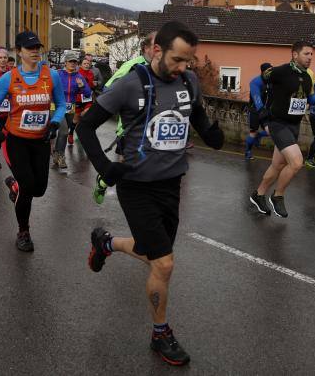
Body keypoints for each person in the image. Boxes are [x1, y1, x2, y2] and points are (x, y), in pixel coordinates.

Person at [76, 21, 223, 366]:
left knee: (150, 252)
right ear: (157, 50)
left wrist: (211, 134)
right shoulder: (131, 84)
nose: (183, 68)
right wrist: (103, 167)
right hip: (136, 185)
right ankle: (161, 334)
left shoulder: (187, 80)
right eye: (177, 60)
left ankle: (106, 243)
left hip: (172, 183)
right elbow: (85, 125)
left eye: (188, 61)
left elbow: (196, 114)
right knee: (165, 263)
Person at [0, 31, 66, 252]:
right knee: (28, 190)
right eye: (30, 48)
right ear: (19, 52)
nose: (35, 51)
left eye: (37, 47)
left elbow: (61, 105)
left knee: (39, 189)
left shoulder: (52, 76)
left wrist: (55, 123)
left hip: (40, 141)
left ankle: (14, 184)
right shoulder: (8, 78)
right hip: (16, 141)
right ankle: (23, 231)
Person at [248, 41, 315, 218]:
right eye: (306, 54)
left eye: (311, 55)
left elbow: (308, 99)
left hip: (294, 125)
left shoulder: (308, 77)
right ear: (295, 54)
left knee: (277, 165)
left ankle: (258, 195)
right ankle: (277, 196)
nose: (310, 57)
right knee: (296, 162)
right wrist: (261, 110)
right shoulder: (280, 71)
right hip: (278, 124)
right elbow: (254, 84)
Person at [90, 31, 157, 203]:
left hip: (155, 130)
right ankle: (104, 181)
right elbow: (108, 90)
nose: (159, 51)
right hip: (130, 128)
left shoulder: (165, 68)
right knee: (126, 166)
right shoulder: (132, 66)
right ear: (145, 49)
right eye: (155, 47)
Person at [53, 51, 91, 172]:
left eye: (75, 62)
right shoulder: (58, 74)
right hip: (57, 107)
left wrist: (82, 87)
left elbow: (88, 93)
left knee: (65, 131)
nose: (73, 64)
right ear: (65, 63)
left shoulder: (79, 77)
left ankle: (56, 152)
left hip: (70, 108)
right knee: (64, 131)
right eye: (71, 61)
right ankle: (60, 156)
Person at [244, 62, 272, 160]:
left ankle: (259, 135)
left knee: (271, 131)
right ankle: (248, 152)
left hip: (265, 111)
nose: (270, 73)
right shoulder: (255, 82)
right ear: (263, 72)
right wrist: (261, 109)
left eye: (271, 70)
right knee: (253, 133)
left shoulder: (271, 82)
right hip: (254, 111)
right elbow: (256, 98)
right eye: (268, 71)